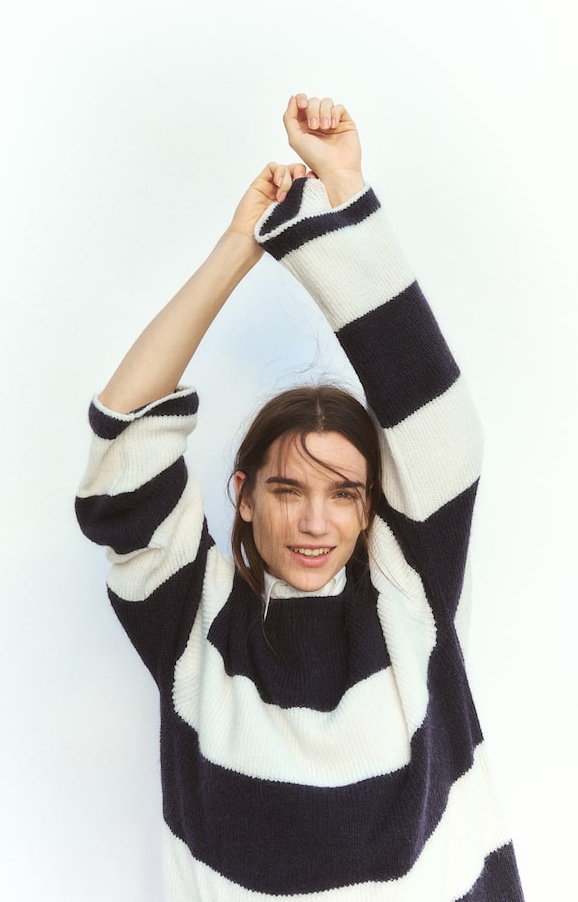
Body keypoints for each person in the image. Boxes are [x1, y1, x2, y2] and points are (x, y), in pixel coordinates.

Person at [75, 94, 526, 901]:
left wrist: (344, 193)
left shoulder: (405, 596)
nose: (315, 521)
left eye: (343, 493)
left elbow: (443, 432)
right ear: (243, 495)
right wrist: (237, 247)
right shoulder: (195, 623)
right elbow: (123, 453)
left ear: (369, 507)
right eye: (286, 489)